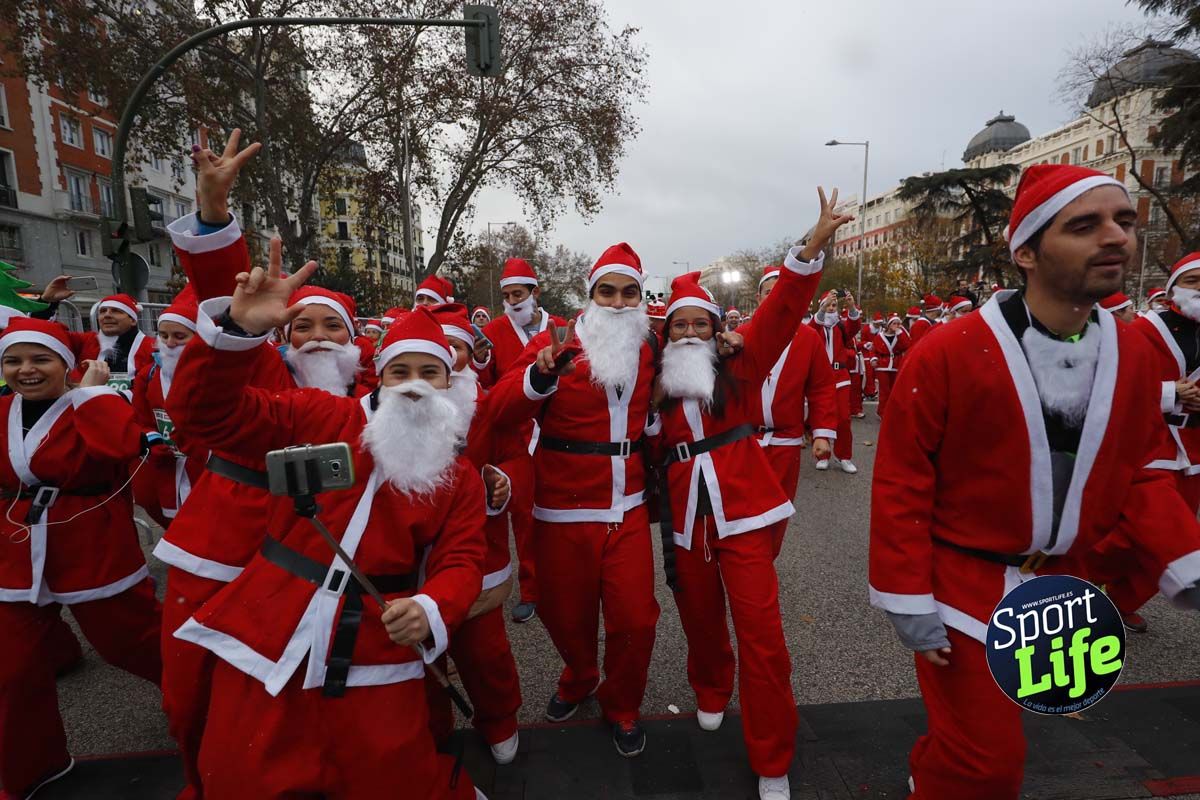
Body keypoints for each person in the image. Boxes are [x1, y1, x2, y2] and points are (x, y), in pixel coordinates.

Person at [869, 163, 1200, 800]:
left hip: (1064, 585)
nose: (1116, 238)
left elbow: (1138, 467)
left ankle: (934, 771)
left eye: (1124, 221)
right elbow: (902, 478)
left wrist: (1185, 558)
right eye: (1085, 225)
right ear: (1025, 250)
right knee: (990, 762)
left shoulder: (1133, 352)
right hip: (961, 584)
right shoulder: (948, 350)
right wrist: (907, 595)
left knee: (984, 736)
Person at [167, 248, 488, 799]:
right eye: (400, 371)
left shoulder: (459, 476)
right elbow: (206, 416)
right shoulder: (319, 414)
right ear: (378, 375)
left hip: (376, 641)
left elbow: (463, 559)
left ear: (448, 382)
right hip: (272, 620)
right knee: (241, 773)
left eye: (428, 372)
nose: (413, 384)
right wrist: (238, 331)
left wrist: (432, 607)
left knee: (391, 775)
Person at [653, 186, 848, 800]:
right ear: (664, 333)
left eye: (699, 324)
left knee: (764, 638)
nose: (688, 332)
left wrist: (812, 244)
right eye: (678, 324)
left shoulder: (742, 362)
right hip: (685, 521)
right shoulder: (644, 383)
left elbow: (784, 308)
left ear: (716, 329)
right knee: (702, 622)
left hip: (744, 514)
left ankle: (772, 756)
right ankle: (711, 687)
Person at [487, 242, 659, 757]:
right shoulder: (555, 338)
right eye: (607, 291)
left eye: (630, 292)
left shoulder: (650, 344)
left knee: (636, 619)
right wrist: (538, 377)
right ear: (590, 296)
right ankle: (580, 675)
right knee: (566, 615)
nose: (619, 302)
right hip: (561, 507)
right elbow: (499, 408)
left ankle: (622, 704)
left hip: (626, 506)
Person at [0, 318, 163, 800]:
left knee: (135, 644)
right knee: (10, 670)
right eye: (13, 360)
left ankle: (212, 704)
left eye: (40, 359)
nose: (25, 370)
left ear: (68, 365)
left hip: (92, 543)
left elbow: (125, 447)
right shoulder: (2, 409)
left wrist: (93, 396)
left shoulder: (94, 404)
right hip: (15, 550)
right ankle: (32, 769)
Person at [422, 303, 524, 766]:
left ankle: (499, 719)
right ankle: (431, 730)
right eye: (437, 351)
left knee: (485, 654)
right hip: (411, 560)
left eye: (456, 348)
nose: (448, 359)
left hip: (479, 554)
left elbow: (517, 455)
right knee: (418, 660)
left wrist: (503, 480)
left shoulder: (486, 407)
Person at [1106, 252, 1200, 633]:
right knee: (1136, 534)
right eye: (1195, 281)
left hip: (1195, 451)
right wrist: (1168, 393)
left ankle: (1120, 600)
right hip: (1152, 443)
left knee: (1180, 541)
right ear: (1175, 287)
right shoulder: (1144, 330)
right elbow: (1109, 385)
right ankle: (1069, 582)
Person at [475, 258, 568, 623]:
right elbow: (488, 383)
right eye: (507, 295)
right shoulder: (495, 331)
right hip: (516, 435)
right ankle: (530, 591)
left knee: (556, 514)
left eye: (519, 293)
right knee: (524, 514)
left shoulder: (559, 327)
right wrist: (482, 364)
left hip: (558, 434)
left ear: (535, 292)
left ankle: (557, 583)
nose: (513, 301)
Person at [747, 261, 839, 557]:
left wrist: (822, 434)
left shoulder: (809, 339)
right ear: (759, 298)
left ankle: (764, 562)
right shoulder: (743, 333)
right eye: (769, 293)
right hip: (742, 441)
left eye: (782, 293)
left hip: (785, 443)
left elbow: (822, 388)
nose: (775, 299)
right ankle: (744, 564)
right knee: (741, 511)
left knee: (776, 512)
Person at [131, 288, 205, 531]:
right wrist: (150, 439)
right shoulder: (149, 374)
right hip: (168, 466)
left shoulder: (213, 376)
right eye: (163, 336)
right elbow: (140, 417)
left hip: (205, 468)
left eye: (179, 336)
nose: (170, 343)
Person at [809, 290, 860, 474]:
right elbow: (813, 327)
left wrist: (852, 306)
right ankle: (823, 456)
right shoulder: (817, 325)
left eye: (834, 305)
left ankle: (844, 456)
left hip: (840, 376)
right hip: (821, 377)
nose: (831, 308)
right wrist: (822, 309)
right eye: (828, 305)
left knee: (844, 419)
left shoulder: (841, 325)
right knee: (821, 416)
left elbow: (854, 328)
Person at [869, 313, 910, 417]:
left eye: (897, 323)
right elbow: (873, 350)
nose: (896, 325)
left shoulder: (900, 335)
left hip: (896, 365)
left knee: (894, 390)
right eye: (893, 323)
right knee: (884, 391)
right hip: (882, 365)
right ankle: (882, 411)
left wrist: (899, 332)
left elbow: (906, 345)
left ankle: (891, 410)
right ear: (889, 324)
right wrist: (873, 359)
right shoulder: (880, 336)